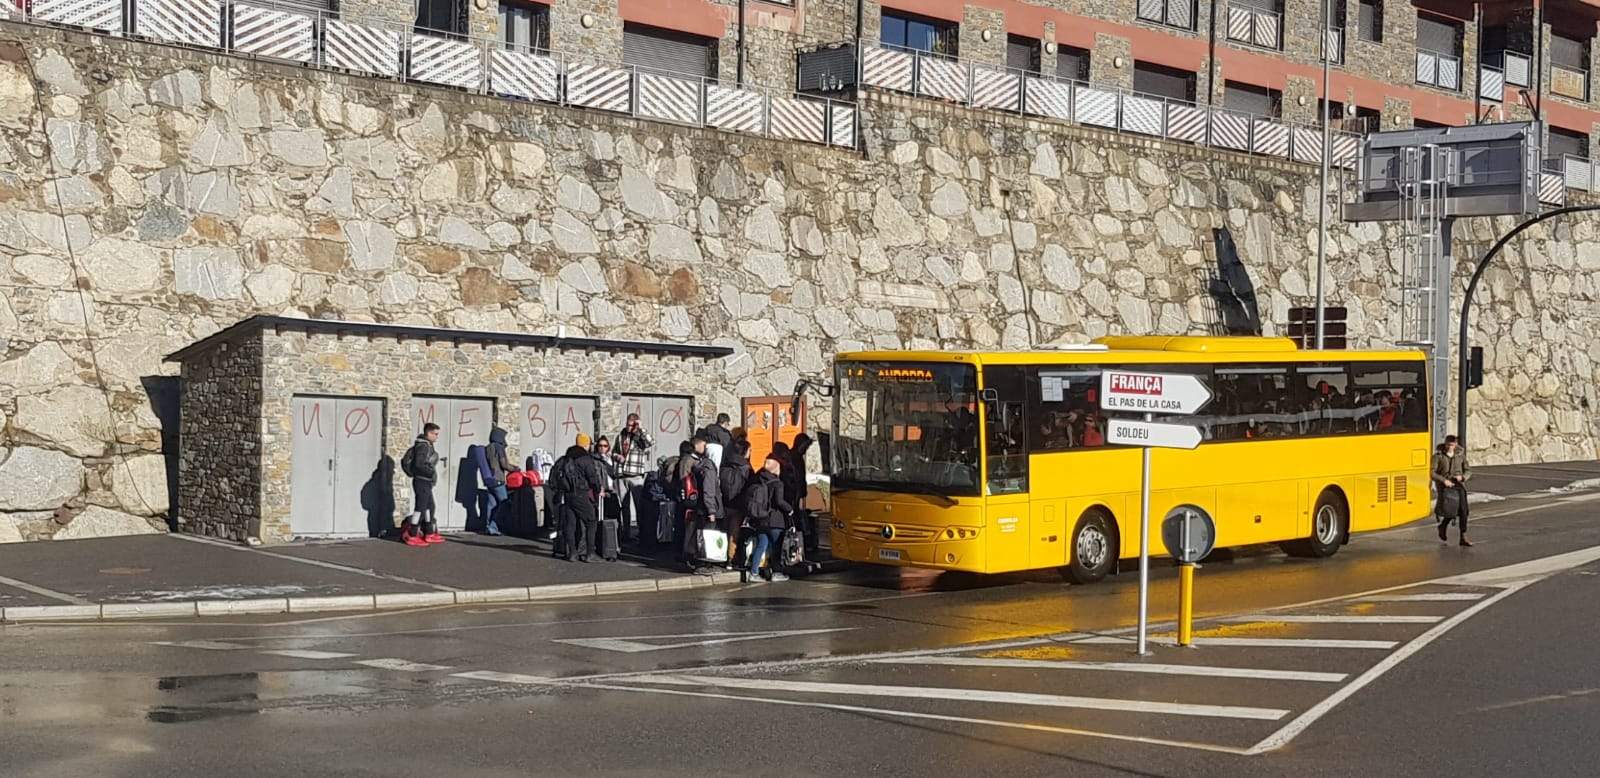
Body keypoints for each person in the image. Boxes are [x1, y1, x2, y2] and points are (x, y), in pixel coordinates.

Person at [556, 433, 606, 562]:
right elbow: (592, 477)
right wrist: (598, 489)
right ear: (586, 444)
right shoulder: (585, 458)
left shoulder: (566, 457)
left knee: (570, 524)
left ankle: (572, 553)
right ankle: (590, 553)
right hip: (581, 493)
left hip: (567, 495)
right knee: (591, 521)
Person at [743, 455, 793, 583]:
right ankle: (776, 572)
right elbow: (779, 501)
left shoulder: (759, 480)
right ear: (776, 467)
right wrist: (790, 509)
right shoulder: (778, 483)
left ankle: (753, 573)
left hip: (761, 519)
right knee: (776, 547)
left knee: (761, 546)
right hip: (775, 520)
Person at [679, 434, 724, 572]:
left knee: (697, 534)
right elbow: (709, 491)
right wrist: (711, 510)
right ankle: (702, 564)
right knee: (706, 536)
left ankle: (695, 560)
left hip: (699, 506)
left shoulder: (700, 465)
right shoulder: (708, 467)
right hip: (705, 508)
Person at [613, 413, 655, 542]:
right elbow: (613, 451)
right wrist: (617, 456)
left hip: (636, 475)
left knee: (638, 505)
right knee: (623, 506)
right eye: (628, 424)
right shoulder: (621, 436)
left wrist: (641, 429)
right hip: (622, 475)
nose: (629, 427)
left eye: (632, 425)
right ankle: (625, 533)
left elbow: (650, 442)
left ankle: (641, 533)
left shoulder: (639, 437)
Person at [399, 423, 443, 547]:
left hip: (426, 481)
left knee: (429, 506)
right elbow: (419, 464)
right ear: (428, 433)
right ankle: (412, 534)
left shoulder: (427, 445)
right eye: (435, 434)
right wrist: (430, 471)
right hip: (421, 480)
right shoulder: (423, 446)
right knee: (420, 508)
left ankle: (429, 532)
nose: (436, 437)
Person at [719, 439, 755, 568]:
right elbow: (752, 487)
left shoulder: (725, 466)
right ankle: (731, 559)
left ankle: (720, 556)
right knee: (734, 534)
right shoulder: (746, 468)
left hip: (724, 504)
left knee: (723, 530)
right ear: (745, 452)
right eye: (750, 450)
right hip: (739, 505)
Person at [1432, 434, 1472, 547]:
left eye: (1452, 444)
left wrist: (1463, 477)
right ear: (1445, 444)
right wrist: (1443, 480)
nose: (1450, 446)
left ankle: (1463, 536)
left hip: (1459, 485)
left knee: (1464, 511)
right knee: (1450, 510)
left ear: (1455, 445)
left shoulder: (1460, 456)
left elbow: (1468, 470)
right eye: (1448, 444)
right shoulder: (1438, 456)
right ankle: (1443, 526)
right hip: (1446, 486)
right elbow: (1432, 473)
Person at [480, 426, 515, 536]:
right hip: (498, 479)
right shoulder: (499, 447)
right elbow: (504, 464)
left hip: (489, 480)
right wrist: (515, 469)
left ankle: (488, 527)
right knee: (505, 503)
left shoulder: (488, 447)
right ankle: (494, 526)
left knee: (491, 504)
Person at [790, 433, 818, 552]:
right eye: (805, 447)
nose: (806, 450)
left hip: (797, 493)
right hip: (793, 494)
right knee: (795, 518)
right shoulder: (794, 457)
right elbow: (797, 477)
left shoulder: (797, 457)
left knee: (798, 516)